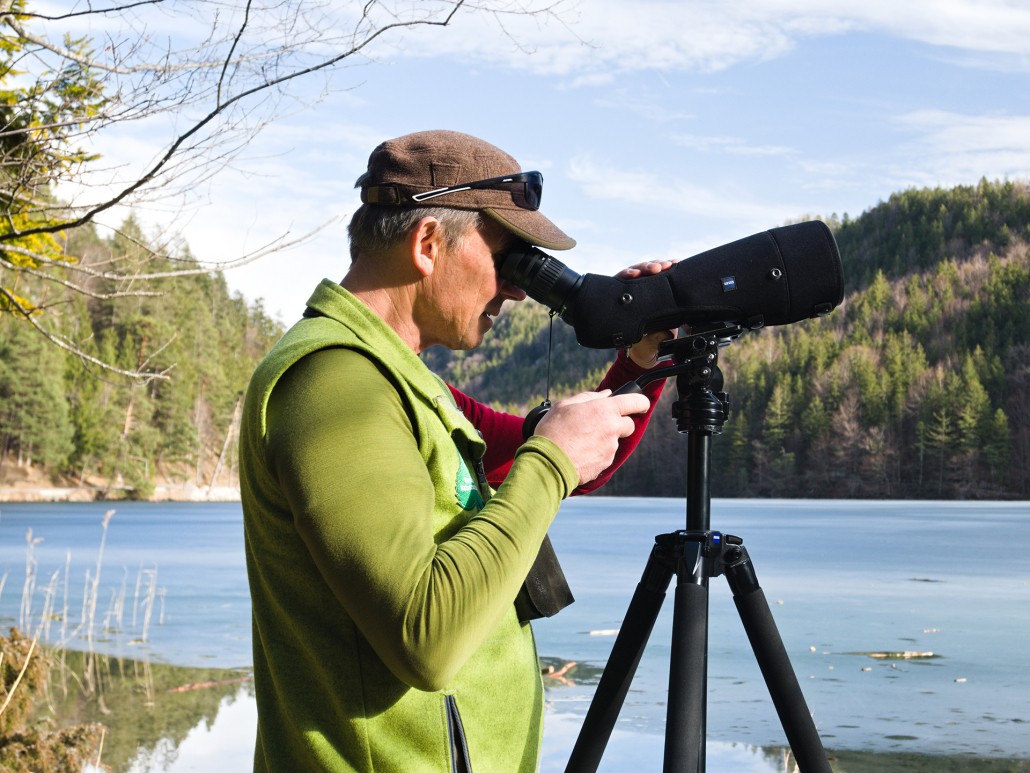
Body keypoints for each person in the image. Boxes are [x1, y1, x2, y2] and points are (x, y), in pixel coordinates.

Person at [239, 130, 672, 773]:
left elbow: (555, 462)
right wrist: (551, 461)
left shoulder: (403, 381)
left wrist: (641, 362)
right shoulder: (336, 385)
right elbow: (426, 638)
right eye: (506, 259)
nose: (518, 290)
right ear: (428, 244)